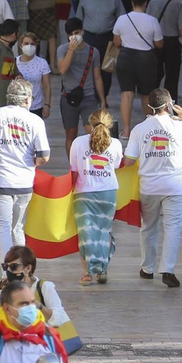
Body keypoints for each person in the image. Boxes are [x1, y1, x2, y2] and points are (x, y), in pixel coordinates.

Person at [126, 89, 182, 288]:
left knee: (148, 227)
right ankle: (167, 270)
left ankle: (147, 268)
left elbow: (129, 161)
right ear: (169, 105)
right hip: (176, 186)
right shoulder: (181, 126)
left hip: (149, 186)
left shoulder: (139, 129)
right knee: (173, 228)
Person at [0, 79, 50, 261]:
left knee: (1, 228)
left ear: (8, 98)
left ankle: (7, 273)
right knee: (17, 228)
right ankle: (20, 268)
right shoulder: (35, 121)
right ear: (28, 100)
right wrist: (31, 163)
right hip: (24, 183)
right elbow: (44, 157)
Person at [69, 108, 122, 285]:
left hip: (84, 193)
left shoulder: (78, 142)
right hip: (108, 194)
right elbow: (116, 165)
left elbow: (74, 171)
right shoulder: (115, 144)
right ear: (110, 124)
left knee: (85, 235)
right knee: (103, 233)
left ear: (89, 124)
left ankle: (87, 273)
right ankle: (103, 269)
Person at [112, 0, 165, 131]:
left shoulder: (122, 19)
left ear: (132, 2)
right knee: (146, 95)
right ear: (145, 3)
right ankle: (148, 128)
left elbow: (116, 42)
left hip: (125, 57)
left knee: (126, 94)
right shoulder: (152, 21)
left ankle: (127, 130)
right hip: (146, 59)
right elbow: (159, 44)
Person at [57, 18, 107, 151]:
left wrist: (102, 100)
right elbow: (62, 69)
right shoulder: (62, 49)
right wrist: (71, 50)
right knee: (70, 136)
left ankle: (90, 165)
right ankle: (72, 168)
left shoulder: (93, 52)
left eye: (77, 32)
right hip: (68, 97)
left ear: (83, 31)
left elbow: (97, 77)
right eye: (71, 34)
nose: (74, 36)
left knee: (92, 133)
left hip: (89, 97)